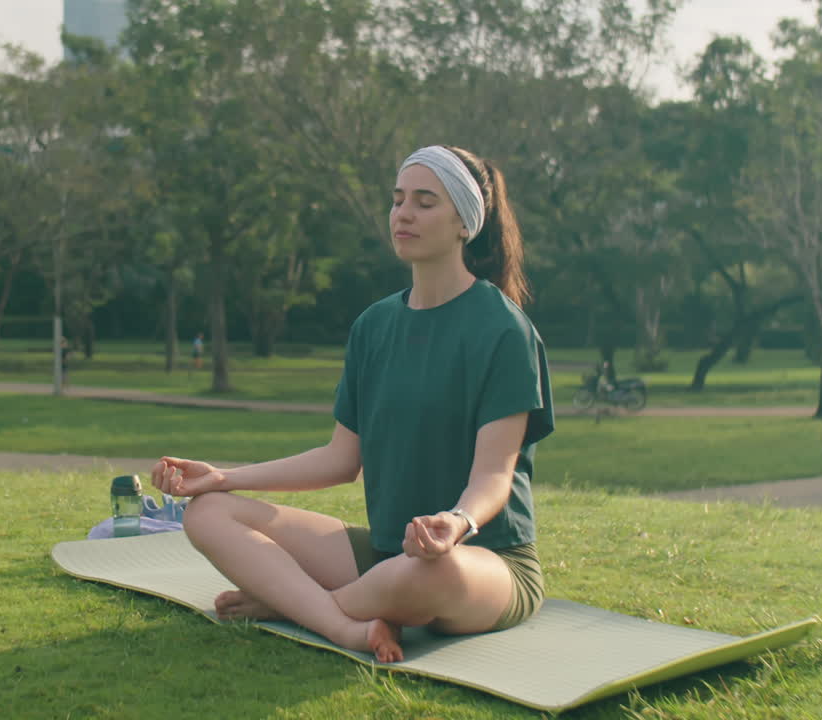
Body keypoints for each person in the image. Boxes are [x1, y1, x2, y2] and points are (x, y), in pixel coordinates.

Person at [150, 145, 555, 663]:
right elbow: (340, 460)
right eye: (398, 199)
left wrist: (454, 523)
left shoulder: (503, 330)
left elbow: (494, 479)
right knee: (207, 514)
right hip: (385, 554)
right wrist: (222, 477)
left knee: (422, 573)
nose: (403, 213)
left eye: (425, 202)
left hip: (482, 561)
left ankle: (298, 607)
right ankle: (344, 626)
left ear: (464, 223)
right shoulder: (374, 326)